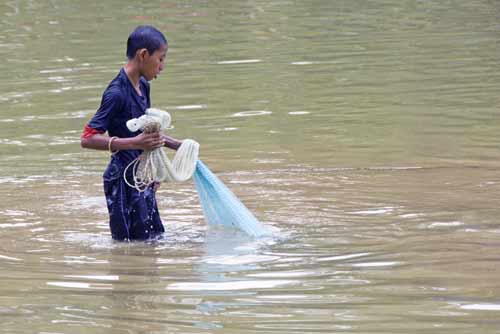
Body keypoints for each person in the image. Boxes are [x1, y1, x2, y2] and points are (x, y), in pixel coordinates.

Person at [81, 25, 182, 241]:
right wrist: (135, 142)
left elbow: (147, 132)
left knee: (152, 240)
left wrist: (176, 145)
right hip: (121, 181)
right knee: (128, 244)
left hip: (141, 176)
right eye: (161, 59)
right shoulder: (116, 93)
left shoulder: (143, 85)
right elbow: (88, 138)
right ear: (143, 55)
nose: (162, 67)